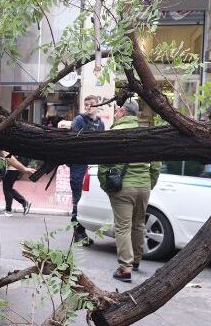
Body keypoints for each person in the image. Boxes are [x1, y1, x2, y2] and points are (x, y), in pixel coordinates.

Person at [98, 98, 161, 283]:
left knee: (123, 227)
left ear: (124, 113)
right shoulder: (146, 134)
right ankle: (136, 261)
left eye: (117, 110)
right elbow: (156, 163)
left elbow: (103, 165)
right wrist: (149, 183)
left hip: (122, 187)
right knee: (139, 224)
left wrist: (106, 187)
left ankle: (125, 268)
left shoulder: (114, 133)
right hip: (143, 186)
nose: (116, 113)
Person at [69, 96, 105, 244]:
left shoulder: (101, 123)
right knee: (78, 200)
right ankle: (78, 233)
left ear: (98, 105)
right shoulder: (79, 120)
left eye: (92, 104)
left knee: (87, 201)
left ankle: (82, 233)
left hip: (93, 166)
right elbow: (73, 141)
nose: (89, 107)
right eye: (86, 105)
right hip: (79, 165)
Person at [0, 149, 34, 215]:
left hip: (11, 170)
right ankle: (24, 203)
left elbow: (7, 158)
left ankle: (8, 210)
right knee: (8, 189)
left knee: (7, 189)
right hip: (13, 169)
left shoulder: (5, 147)